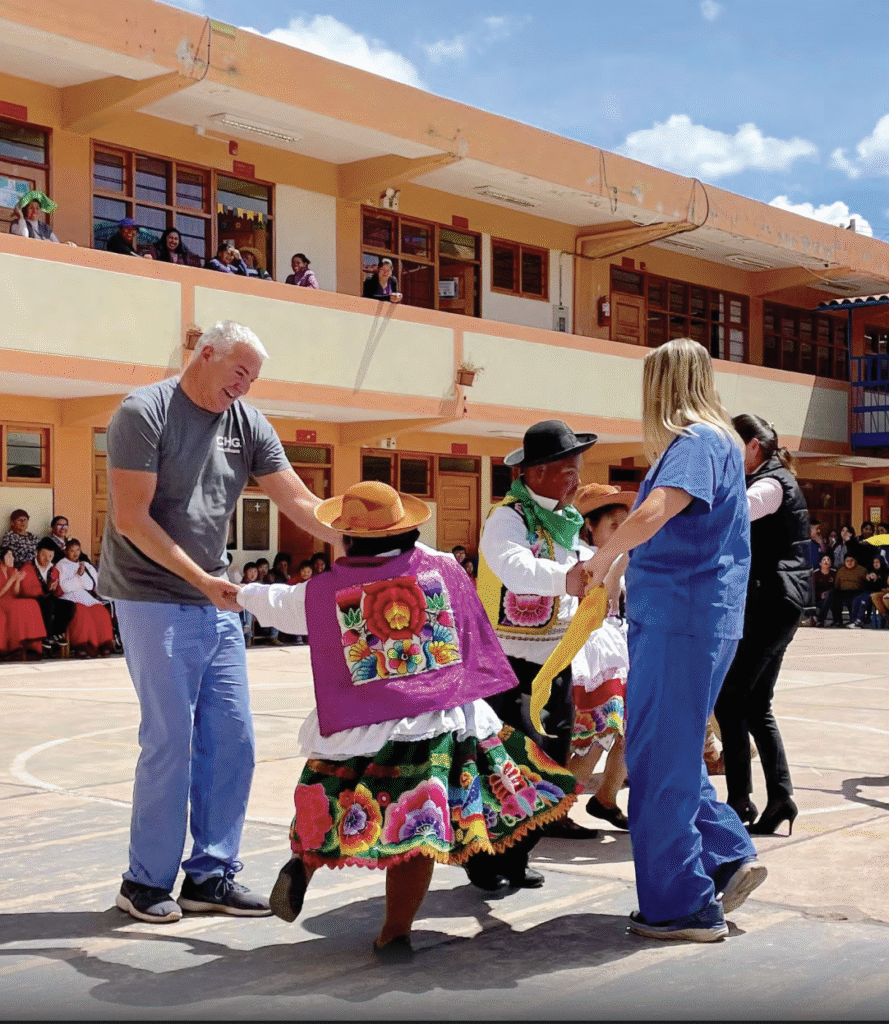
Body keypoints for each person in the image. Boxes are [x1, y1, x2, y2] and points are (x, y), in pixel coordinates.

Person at [234, 481, 581, 960]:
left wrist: (236, 592)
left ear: (347, 538)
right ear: (408, 528)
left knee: (331, 798)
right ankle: (394, 932)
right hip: (434, 720)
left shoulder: (326, 588)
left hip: (355, 726)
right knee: (417, 830)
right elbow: (470, 623)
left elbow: (280, 606)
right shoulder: (442, 568)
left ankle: (304, 864)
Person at [98, 320, 339, 924]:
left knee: (233, 739)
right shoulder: (143, 412)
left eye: (254, 379)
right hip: (152, 595)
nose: (246, 387)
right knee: (170, 740)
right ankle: (144, 881)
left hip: (214, 598)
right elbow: (132, 517)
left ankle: (211, 874)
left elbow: (301, 502)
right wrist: (202, 581)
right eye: (239, 373)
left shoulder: (247, 423)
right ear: (204, 354)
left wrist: (370, 543)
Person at [581, 338, 763, 943]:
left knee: (658, 759)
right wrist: (609, 575)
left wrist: (603, 553)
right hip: (698, 617)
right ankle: (726, 853)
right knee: (671, 749)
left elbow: (658, 511)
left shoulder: (694, 443)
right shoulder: (721, 444)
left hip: (681, 620)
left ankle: (682, 904)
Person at [476, 419, 599, 842]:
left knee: (554, 751)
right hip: (511, 664)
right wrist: (569, 578)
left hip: (556, 659)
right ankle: (495, 857)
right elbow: (513, 566)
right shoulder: (507, 519)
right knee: (513, 762)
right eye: (569, 471)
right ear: (537, 472)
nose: (577, 480)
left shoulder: (565, 519)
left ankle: (540, 831)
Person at [713, 414, 810, 838]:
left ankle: (739, 800)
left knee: (731, 700)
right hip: (779, 601)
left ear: (753, 446)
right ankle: (780, 797)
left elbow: (735, 515)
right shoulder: (775, 478)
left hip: (772, 602)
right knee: (754, 706)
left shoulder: (770, 485)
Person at [570, 483, 635, 831]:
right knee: (598, 729)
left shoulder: (617, 557)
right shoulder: (579, 558)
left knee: (626, 730)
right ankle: (556, 810)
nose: (622, 532)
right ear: (590, 525)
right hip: (590, 653)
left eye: (627, 524)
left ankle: (606, 797)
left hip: (614, 648)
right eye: (614, 525)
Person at [57, 539, 115, 657]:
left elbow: (90, 585)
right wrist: (77, 577)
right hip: (70, 597)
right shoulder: (61, 565)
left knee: (100, 610)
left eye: (78, 550)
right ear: (66, 551)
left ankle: (104, 645)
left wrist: (82, 574)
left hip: (85, 595)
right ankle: (84, 646)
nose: (75, 553)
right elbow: (65, 587)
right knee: (82, 613)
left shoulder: (85, 565)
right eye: (72, 550)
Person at [20, 538, 75, 648]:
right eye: (44, 555)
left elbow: (58, 592)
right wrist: (46, 589)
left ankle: (56, 633)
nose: (47, 559)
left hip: (48, 599)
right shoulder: (28, 568)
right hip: (32, 600)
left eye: (50, 556)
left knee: (69, 605)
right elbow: (25, 590)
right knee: (48, 604)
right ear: (37, 553)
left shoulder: (54, 570)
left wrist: (54, 589)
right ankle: (47, 636)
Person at [0, 545, 46, 658]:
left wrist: (18, 581)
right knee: (18, 607)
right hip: (2, 601)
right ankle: (15, 645)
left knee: (32, 603)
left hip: (11, 599)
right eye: (9, 556)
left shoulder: (13, 570)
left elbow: (15, 593)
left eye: (12, 556)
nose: (12, 559)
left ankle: (33, 642)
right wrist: (11, 580)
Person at [849, 555, 888, 627]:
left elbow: (884, 586)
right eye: (874, 562)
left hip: (880, 592)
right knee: (856, 599)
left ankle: (860, 621)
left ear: (881, 562)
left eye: (877, 562)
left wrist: (878, 579)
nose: (875, 564)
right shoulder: (871, 570)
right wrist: (868, 579)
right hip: (869, 591)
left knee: (864, 601)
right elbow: (868, 587)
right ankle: (854, 620)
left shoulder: (885, 571)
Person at [829, 555, 868, 627]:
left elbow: (866, 583)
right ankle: (837, 621)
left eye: (851, 561)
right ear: (844, 562)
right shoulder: (841, 570)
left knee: (854, 599)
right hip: (843, 591)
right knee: (834, 598)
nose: (849, 563)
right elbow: (837, 584)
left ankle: (854, 621)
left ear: (855, 561)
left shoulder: (862, 570)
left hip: (856, 591)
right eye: (847, 561)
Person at [812, 554, 836, 626]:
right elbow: (812, 589)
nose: (826, 561)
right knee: (825, 602)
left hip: (832, 597)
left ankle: (820, 620)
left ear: (831, 564)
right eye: (824, 560)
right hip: (819, 598)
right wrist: (820, 594)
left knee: (830, 594)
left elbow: (837, 587)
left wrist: (826, 594)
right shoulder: (815, 574)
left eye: (828, 560)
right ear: (820, 563)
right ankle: (821, 620)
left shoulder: (834, 573)